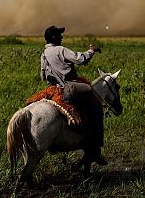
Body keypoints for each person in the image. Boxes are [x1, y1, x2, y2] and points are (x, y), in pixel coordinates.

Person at [40, 25, 107, 166]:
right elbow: (81, 59)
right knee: (94, 101)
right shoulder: (60, 50)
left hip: (54, 88)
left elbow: (43, 76)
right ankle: (95, 147)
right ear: (53, 37)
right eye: (59, 35)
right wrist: (91, 51)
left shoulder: (44, 54)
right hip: (68, 87)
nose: (62, 37)